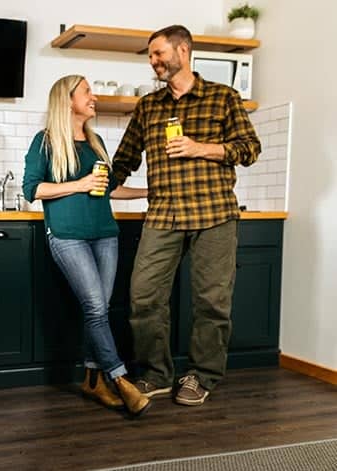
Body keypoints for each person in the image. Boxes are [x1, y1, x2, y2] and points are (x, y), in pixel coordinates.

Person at [112, 25, 261, 406]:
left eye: (158, 53)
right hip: (163, 214)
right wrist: (94, 184)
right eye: (149, 56)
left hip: (214, 214)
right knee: (143, 296)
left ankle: (202, 376)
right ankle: (157, 374)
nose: (153, 61)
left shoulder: (222, 98)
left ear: (183, 50)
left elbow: (249, 148)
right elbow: (125, 159)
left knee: (212, 302)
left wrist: (201, 147)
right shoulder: (149, 106)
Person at [22, 75, 150, 418]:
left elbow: (107, 190)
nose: (94, 97)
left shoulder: (96, 143)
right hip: (67, 236)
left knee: (100, 310)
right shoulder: (45, 142)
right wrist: (78, 184)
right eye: (87, 92)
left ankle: (93, 380)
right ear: (67, 101)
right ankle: (120, 379)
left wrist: (148, 193)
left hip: (105, 234)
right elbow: (31, 190)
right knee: (95, 306)